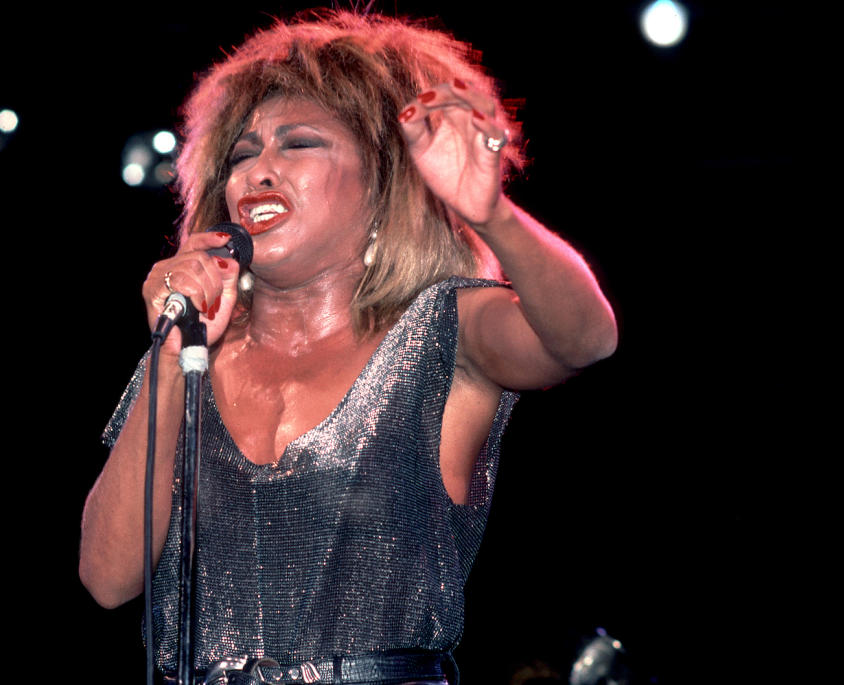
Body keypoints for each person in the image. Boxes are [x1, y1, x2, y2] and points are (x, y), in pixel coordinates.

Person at [80, 9, 617, 684]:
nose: (258, 169)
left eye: (297, 144)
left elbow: (585, 339)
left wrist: (494, 216)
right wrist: (166, 356)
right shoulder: (188, 358)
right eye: (243, 153)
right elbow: (106, 577)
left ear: (381, 182)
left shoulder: (442, 330)